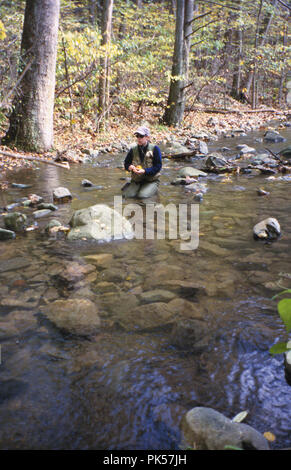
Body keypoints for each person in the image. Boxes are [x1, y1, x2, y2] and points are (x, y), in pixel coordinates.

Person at [122, 126, 162, 198]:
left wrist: (144, 171)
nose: (139, 138)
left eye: (141, 136)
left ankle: (154, 188)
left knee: (142, 196)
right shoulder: (133, 149)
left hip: (151, 180)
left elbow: (158, 166)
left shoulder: (155, 149)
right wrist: (129, 167)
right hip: (137, 180)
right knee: (127, 196)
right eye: (137, 136)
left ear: (147, 137)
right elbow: (126, 163)